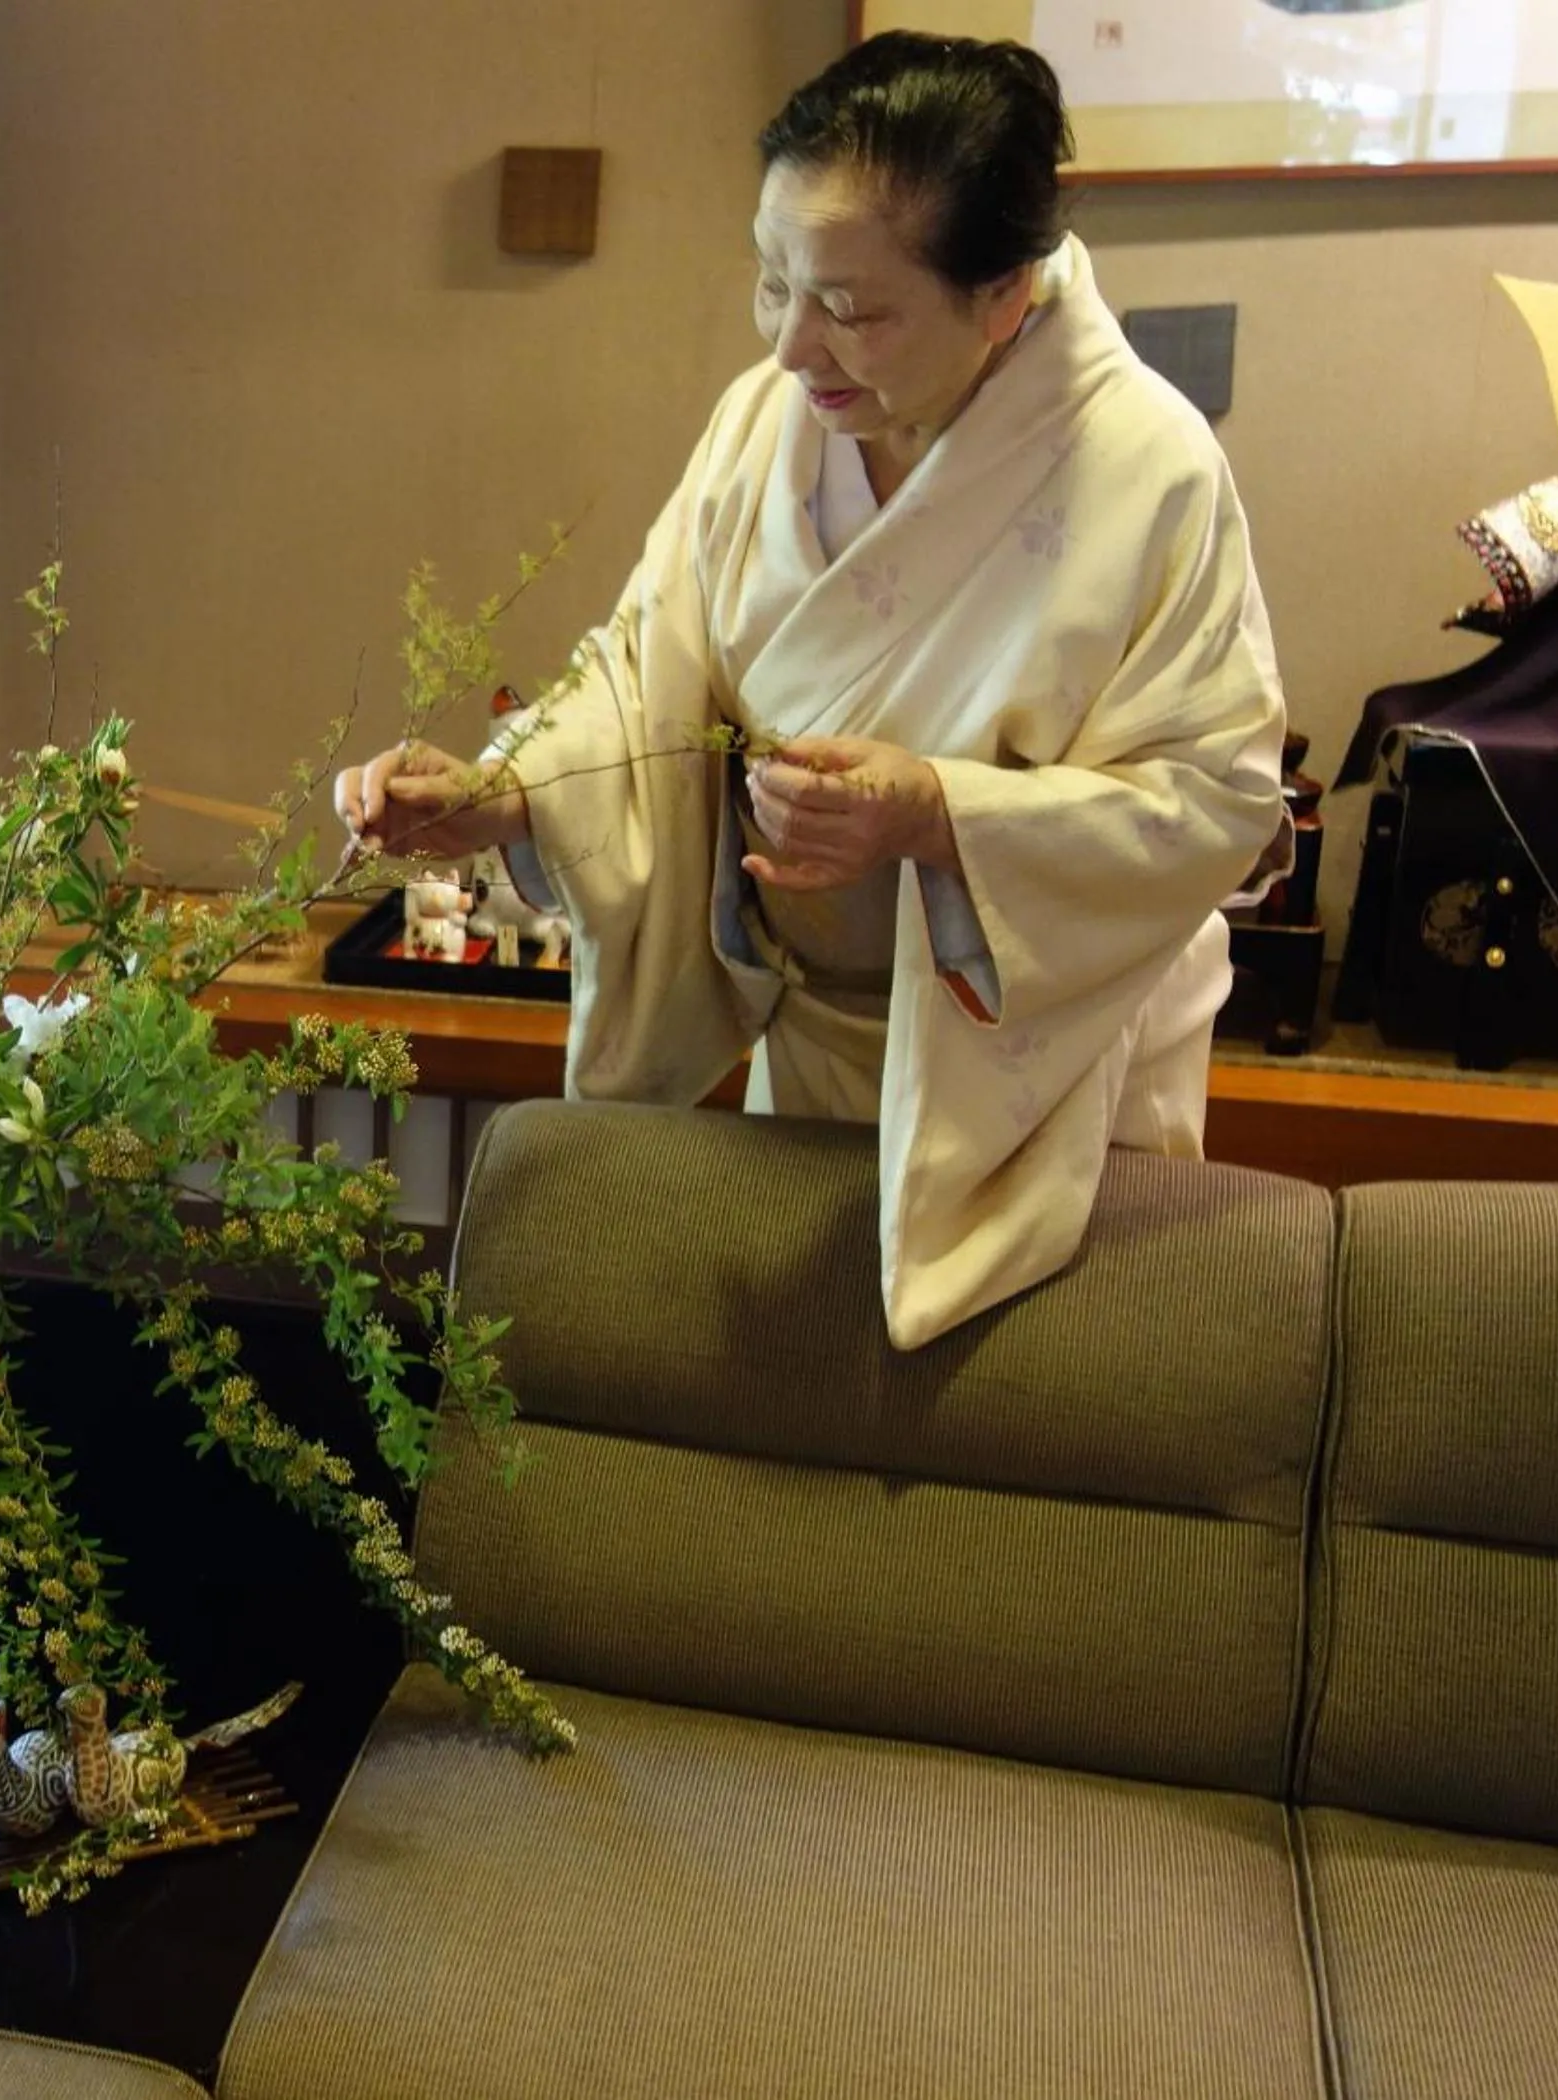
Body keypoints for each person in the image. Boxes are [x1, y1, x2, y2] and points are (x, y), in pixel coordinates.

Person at [335, 32, 1288, 1348]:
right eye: (773, 281)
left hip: (1039, 1064)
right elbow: (647, 676)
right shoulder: (770, 424)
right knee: (809, 1395)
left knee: (1027, 1424)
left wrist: (940, 814)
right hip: (821, 1033)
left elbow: (1215, 796)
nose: (793, 345)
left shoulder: (1147, 470)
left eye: (852, 306)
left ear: (1005, 290)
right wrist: (505, 799)